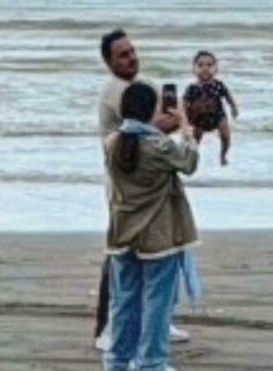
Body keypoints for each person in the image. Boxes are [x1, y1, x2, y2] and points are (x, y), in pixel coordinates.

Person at [95, 29, 191, 352]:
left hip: (150, 185)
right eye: (122, 54)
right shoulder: (116, 92)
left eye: (132, 51)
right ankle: (106, 327)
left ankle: (157, 319)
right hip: (125, 186)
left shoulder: (140, 85)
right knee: (122, 257)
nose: (131, 57)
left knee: (156, 251)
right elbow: (142, 131)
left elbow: (155, 132)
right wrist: (178, 127)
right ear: (109, 62)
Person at [103, 81, 199, 371]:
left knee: (124, 299)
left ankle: (118, 360)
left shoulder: (112, 142)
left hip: (122, 232)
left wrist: (154, 128)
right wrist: (185, 127)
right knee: (157, 300)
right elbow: (189, 163)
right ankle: (153, 365)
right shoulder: (159, 146)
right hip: (157, 234)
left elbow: (135, 140)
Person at [183, 51, 238, 165]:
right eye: (200, 65)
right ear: (193, 70)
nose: (205, 68)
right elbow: (184, 102)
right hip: (199, 119)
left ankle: (223, 155)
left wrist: (233, 107)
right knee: (195, 140)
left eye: (209, 65)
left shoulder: (218, 85)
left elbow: (227, 96)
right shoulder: (192, 88)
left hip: (219, 116)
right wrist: (184, 117)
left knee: (226, 136)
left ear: (216, 69)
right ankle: (191, 159)